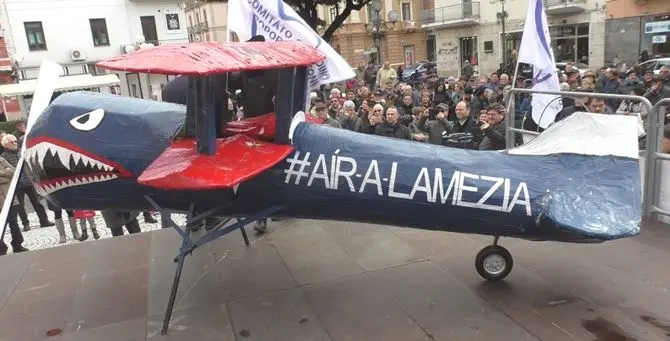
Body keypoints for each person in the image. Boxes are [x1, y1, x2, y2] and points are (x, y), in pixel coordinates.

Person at [0, 156, 28, 255]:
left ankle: (17, 244)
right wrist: (5, 175)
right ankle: (1, 247)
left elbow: (12, 172)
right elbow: (7, 175)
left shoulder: (1, 159)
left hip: (9, 198)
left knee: (14, 223)